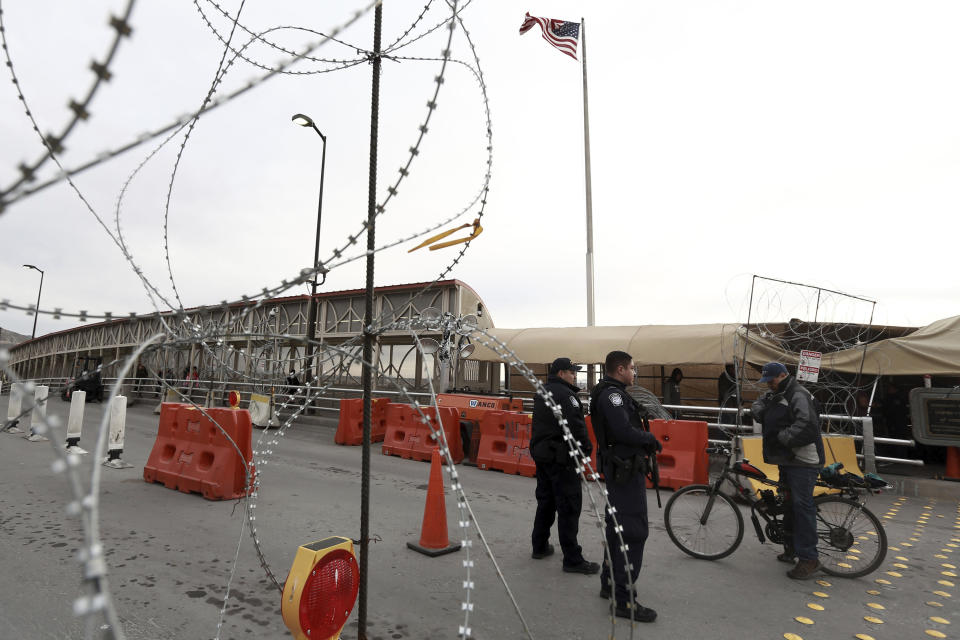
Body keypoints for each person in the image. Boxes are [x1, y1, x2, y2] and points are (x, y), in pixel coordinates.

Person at [591, 350, 661, 622]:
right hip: (624, 470)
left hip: (619, 468)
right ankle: (624, 600)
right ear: (620, 369)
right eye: (632, 368)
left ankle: (609, 583)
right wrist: (649, 440)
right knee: (632, 532)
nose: (634, 372)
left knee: (617, 528)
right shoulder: (613, 395)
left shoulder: (608, 392)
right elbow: (622, 431)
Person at [751, 362, 825, 580]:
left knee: (802, 507)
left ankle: (809, 558)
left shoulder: (798, 394)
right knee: (788, 504)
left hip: (803, 461)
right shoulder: (777, 393)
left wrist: (782, 438)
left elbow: (808, 426)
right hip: (787, 459)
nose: (769, 385)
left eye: (772, 380)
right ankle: (792, 548)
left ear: (783, 375)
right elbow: (757, 406)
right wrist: (763, 414)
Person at [530, 357, 599, 575]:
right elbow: (577, 427)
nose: (574, 375)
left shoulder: (542, 391)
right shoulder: (567, 396)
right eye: (571, 372)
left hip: (543, 455)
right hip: (562, 458)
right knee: (569, 507)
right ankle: (572, 559)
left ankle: (539, 546)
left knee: (546, 501)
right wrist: (585, 451)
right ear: (561, 373)